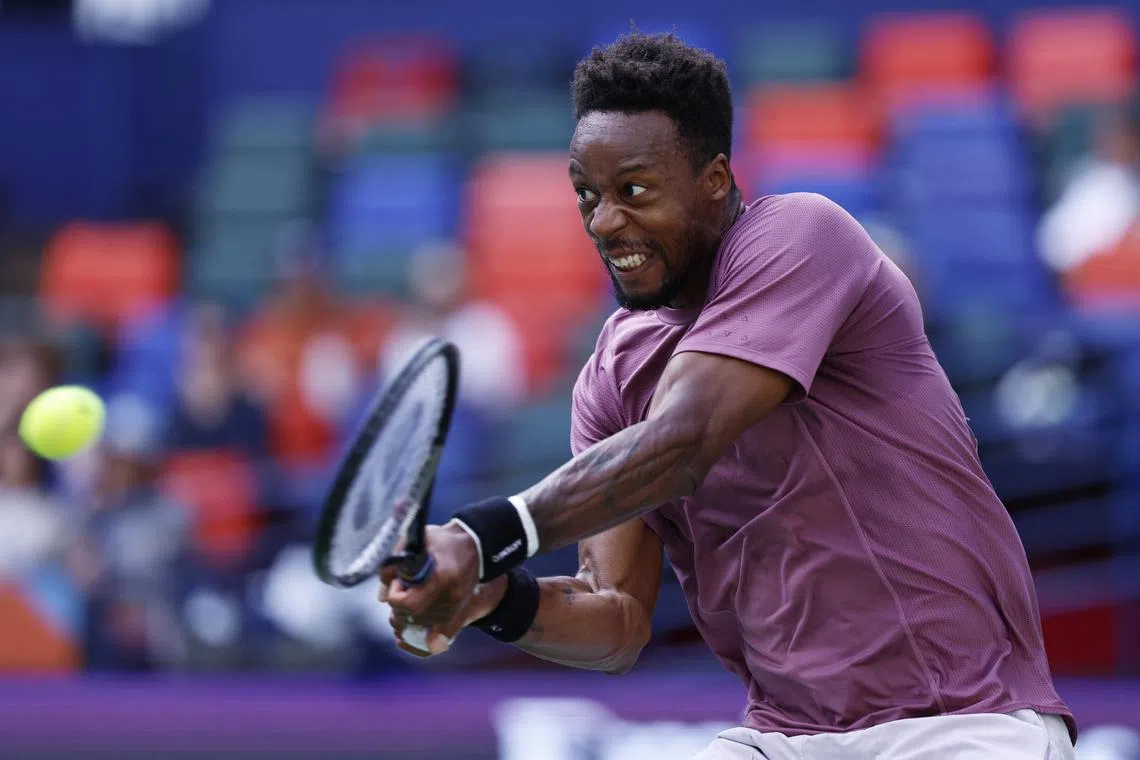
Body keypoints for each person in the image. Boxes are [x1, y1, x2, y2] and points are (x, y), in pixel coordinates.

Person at [380, 33, 1076, 759]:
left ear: (715, 178)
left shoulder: (803, 236)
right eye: (586, 193)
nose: (604, 221)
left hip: (962, 722)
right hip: (786, 735)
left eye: (635, 191)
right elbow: (614, 623)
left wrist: (478, 537)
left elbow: (683, 440)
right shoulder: (612, 377)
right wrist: (491, 597)